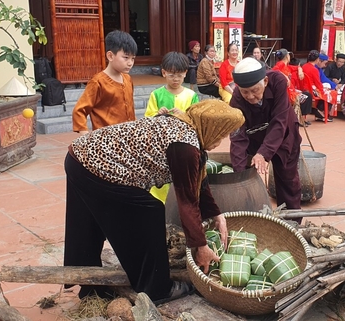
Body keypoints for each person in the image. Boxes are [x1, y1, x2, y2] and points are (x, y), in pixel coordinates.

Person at [64, 100, 245, 302]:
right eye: (220, 134)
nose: (219, 141)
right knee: (148, 213)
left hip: (80, 157)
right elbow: (187, 200)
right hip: (96, 165)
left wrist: (215, 214)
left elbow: (197, 182)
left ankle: (91, 289)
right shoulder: (184, 146)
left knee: (89, 224)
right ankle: (157, 289)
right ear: (209, 126)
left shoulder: (188, 124)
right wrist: (201, 247)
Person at [228, 58, 303, 219]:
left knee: (287, 178)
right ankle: (251, 216)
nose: (250, 96)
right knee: (247, 175)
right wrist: (239, 176)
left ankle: (293, 220)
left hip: (285, 134)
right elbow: (237, 137)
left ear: (265, 81)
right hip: (255, 137)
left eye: (255, 90)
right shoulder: (236, 99)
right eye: (245, 91)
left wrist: (264, 153)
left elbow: (279, 121)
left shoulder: (278, 81)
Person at [145, 52, 200, 202]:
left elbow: (196, 120)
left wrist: (183, 115)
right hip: (162, 146)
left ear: (185, 74)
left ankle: (180, 203)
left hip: (183, 144)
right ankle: (161, 203)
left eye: (179, 75)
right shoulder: (156, 95)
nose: (176, 79)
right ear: (164, 73)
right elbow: (148, 119)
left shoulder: (191, 95)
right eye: (171, 75)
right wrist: (158, 114)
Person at [72, 30, 137, 134]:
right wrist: (86, 138)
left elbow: (130, 110)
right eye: (126, 57)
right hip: (106, 140)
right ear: (110, 56)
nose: (130, 63)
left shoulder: (128, 79)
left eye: (132, 58)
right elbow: (79, 111)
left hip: (128, 139)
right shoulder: (98, 82)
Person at [273, 49, 311, 126]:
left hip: (290, 90)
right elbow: (274, 70)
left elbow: (297, 67)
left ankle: (300, 118)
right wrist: (285, 77)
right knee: (306, 97)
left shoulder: (287, 66)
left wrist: (300, 70)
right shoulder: (281, 64)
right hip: (286, 92)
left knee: (306, 95)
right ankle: (299, 119)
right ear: (287, 56)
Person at [302, 50, 332, 122]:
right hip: (311, 89)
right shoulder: (314, 69)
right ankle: (322, 112)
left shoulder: (304, 66)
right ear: (317, 59)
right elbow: (318, 83)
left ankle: (320, 112)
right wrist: (322, 90)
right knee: (329, 93)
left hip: (304, 88)